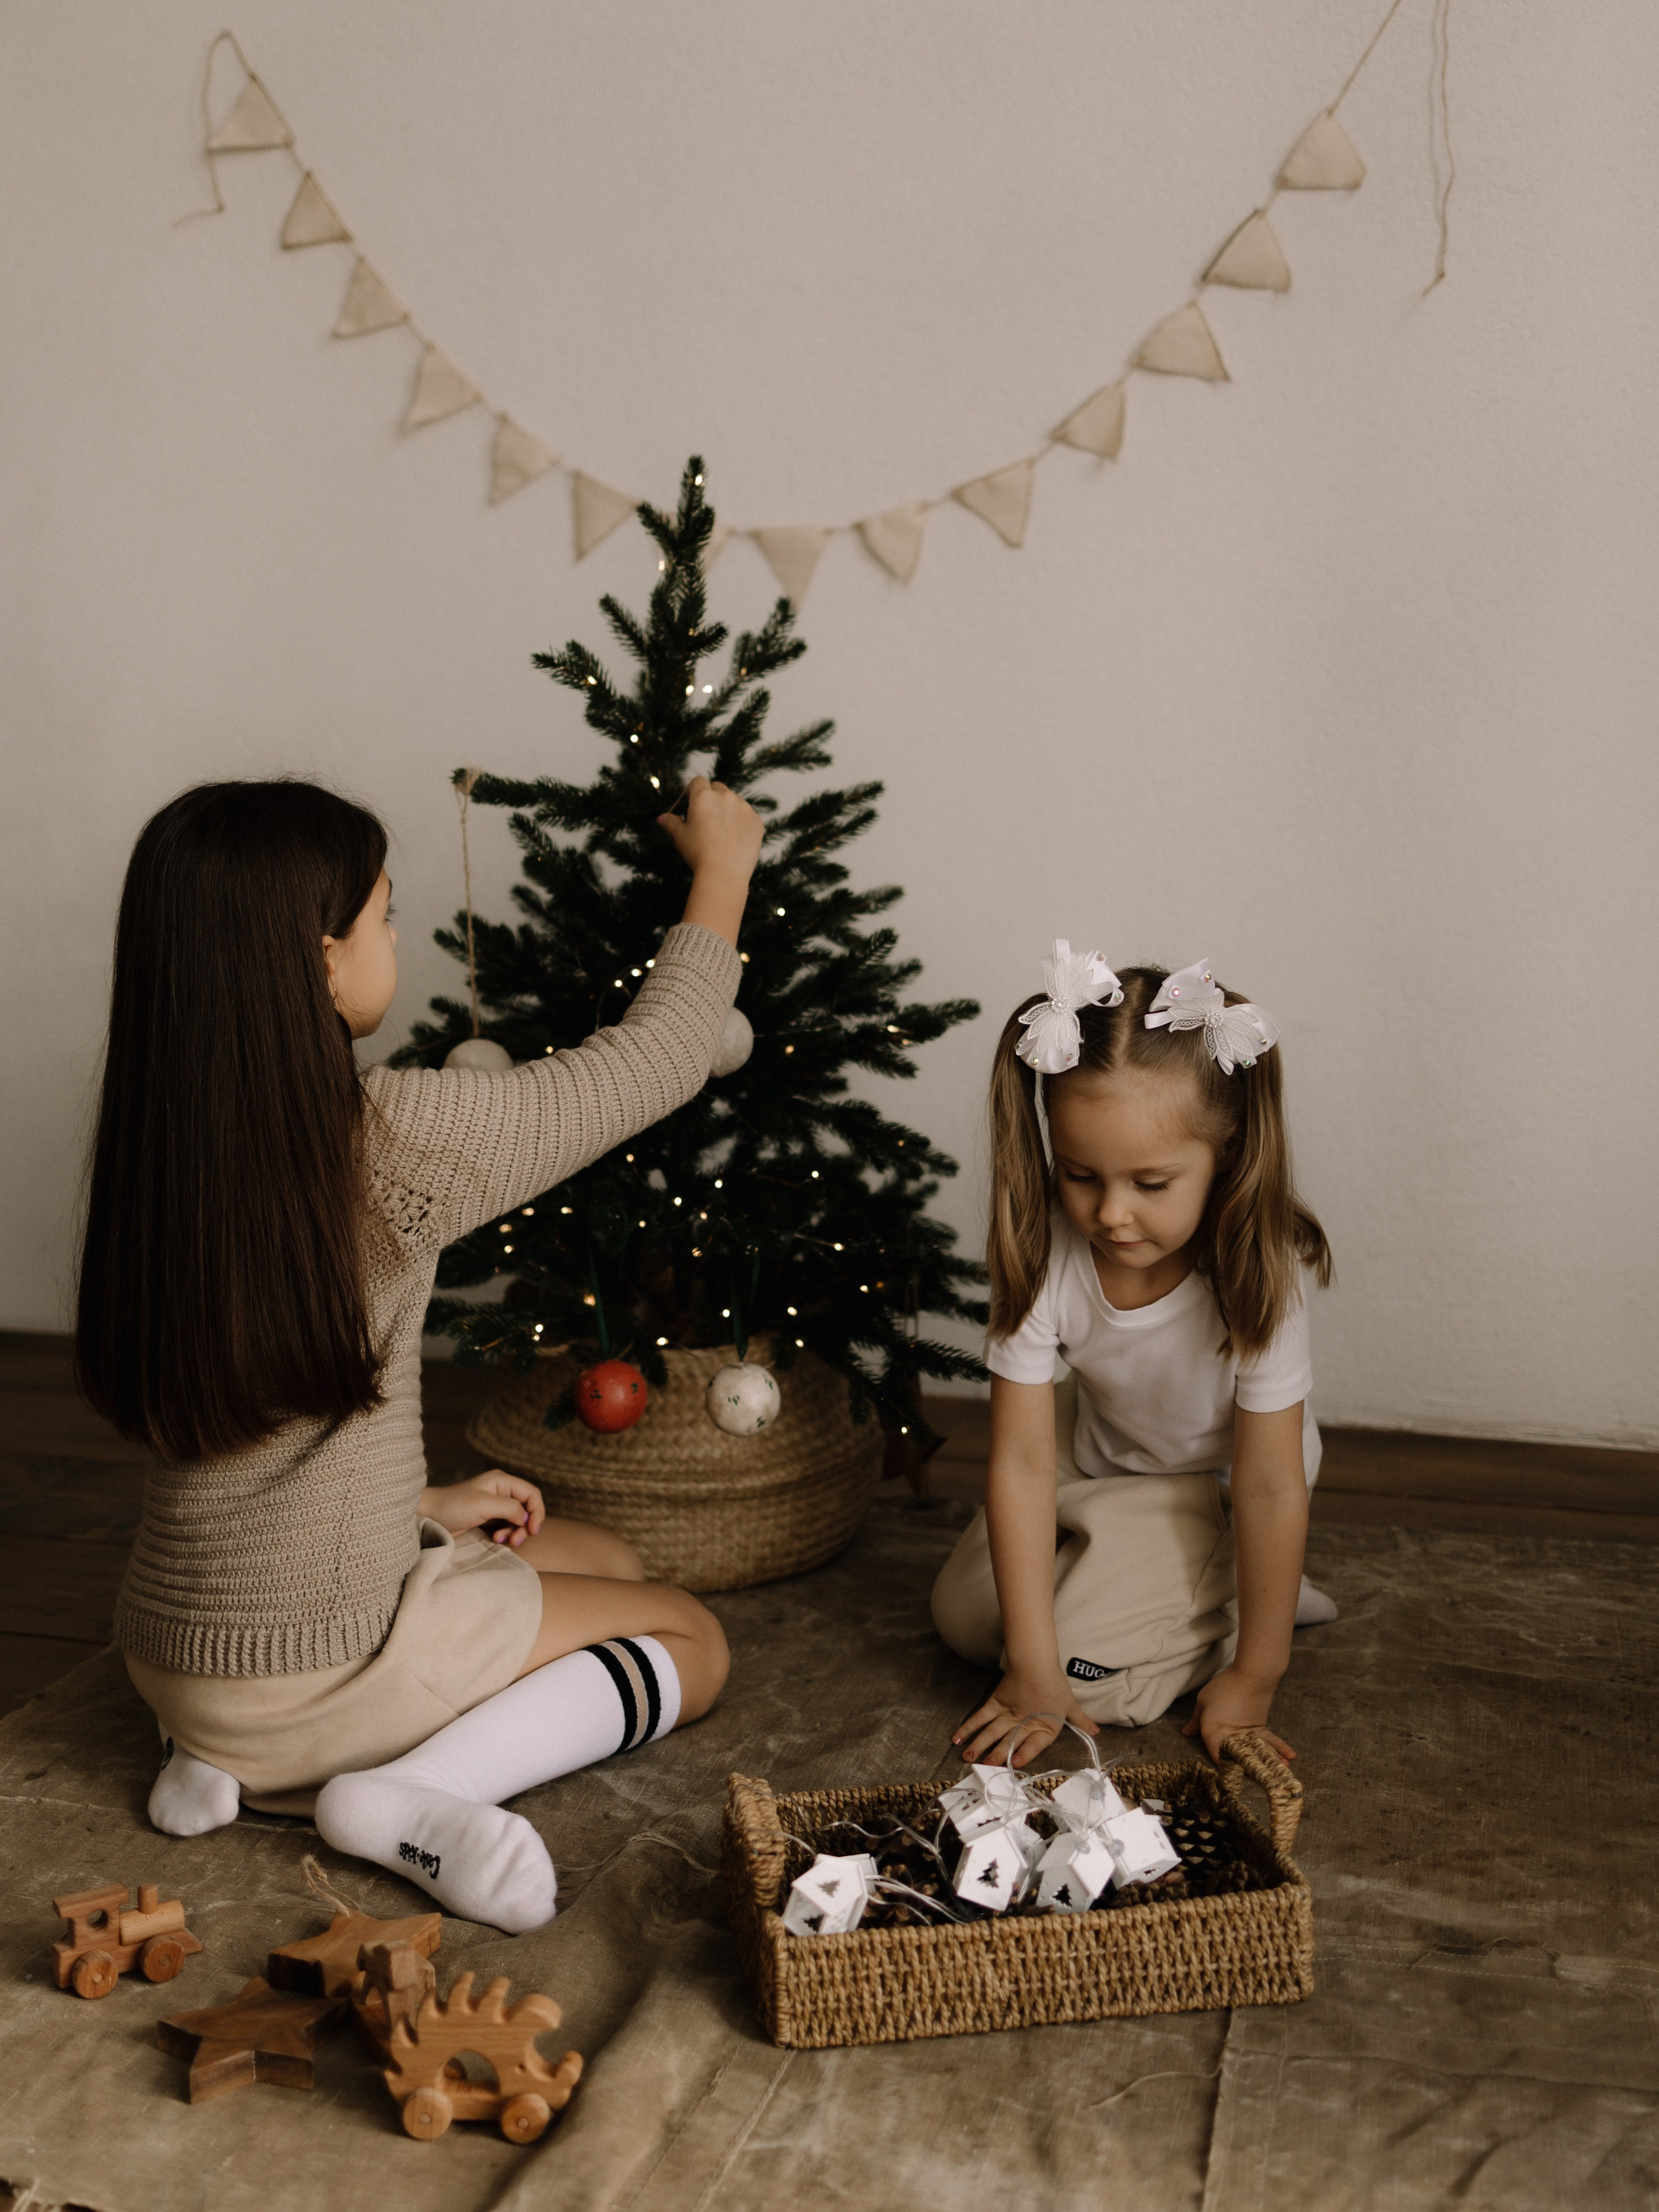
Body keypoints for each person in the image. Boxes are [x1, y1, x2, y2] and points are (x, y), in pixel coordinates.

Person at [76, 774, 761, 1931]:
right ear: (322, 955)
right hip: (317, 1662)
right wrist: (725, 866)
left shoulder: (157, 1155)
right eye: (387, 915)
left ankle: (218, 1759)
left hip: (175, 1650)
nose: (398, 936)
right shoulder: (392, 1138)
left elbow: (259, 1437)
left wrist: (426, 1500)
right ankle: (405, 1789)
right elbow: (657, 1060)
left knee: (603, 1552)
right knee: (688, 1633)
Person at [931, 941, 1335, 1773]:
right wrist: (1030, 1669)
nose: (1110, 1214)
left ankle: (1246, 1599)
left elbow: (1267, 1482)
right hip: (1098, 1460)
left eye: (1150, 1183)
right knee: (969, 1624)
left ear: (1225, 1154)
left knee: (1099, 1678)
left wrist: (1255, 1674)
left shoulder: (1263, 1267)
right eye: (1081, 1174)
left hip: (1218, 1488)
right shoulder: (1047, 1243)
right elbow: (1019, 1463)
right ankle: (1123, 1565)